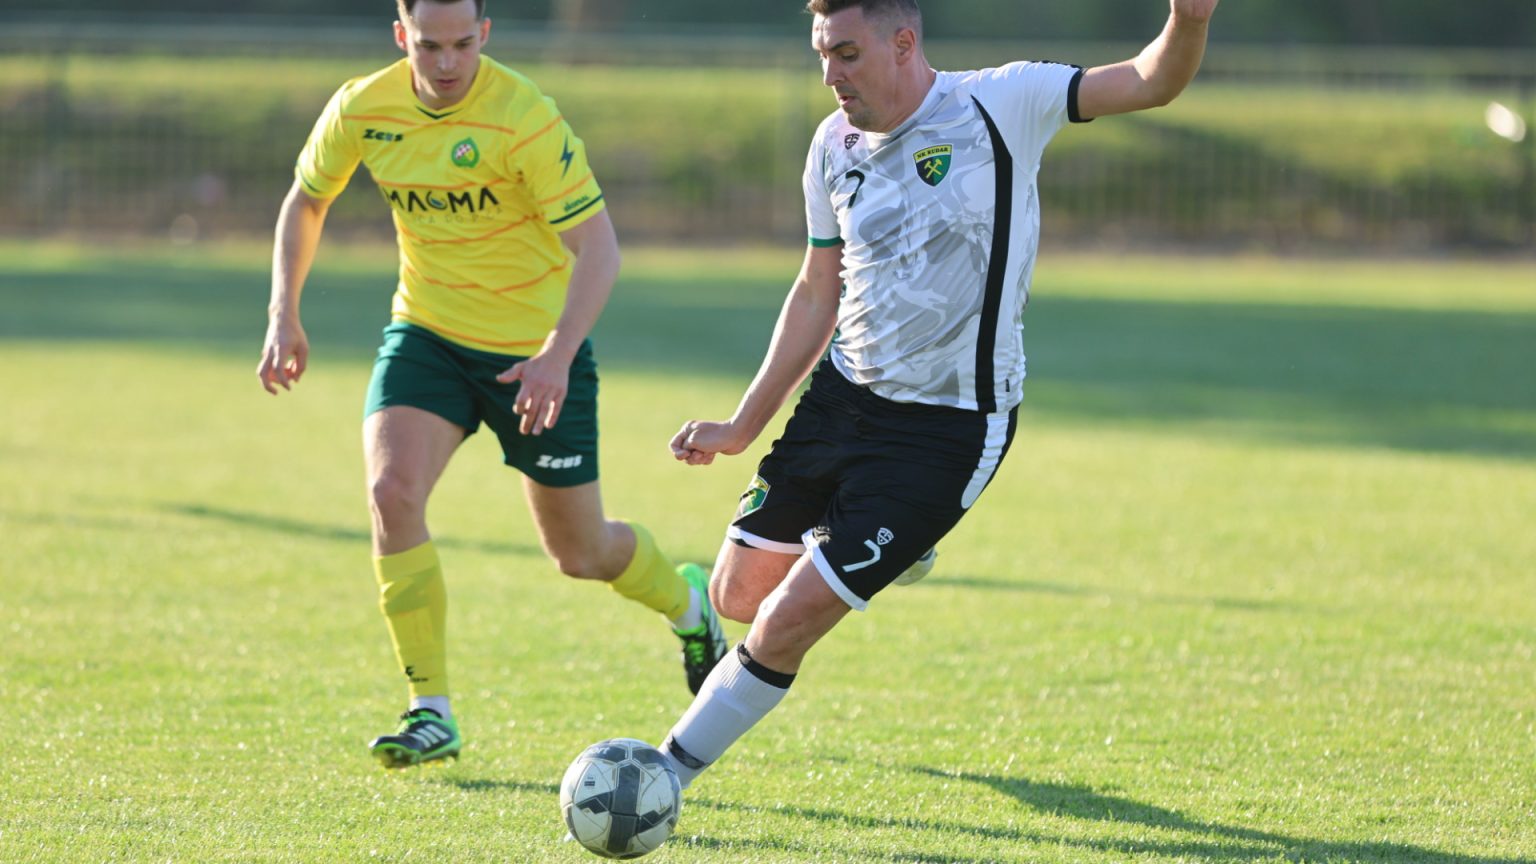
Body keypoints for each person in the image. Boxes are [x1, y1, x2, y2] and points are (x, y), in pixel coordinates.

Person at [657, 0, 1219, 790]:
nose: (830, 74)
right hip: (841, 399)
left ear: (903, 42)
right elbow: (817, 291)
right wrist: (742, 424)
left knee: (784, 624)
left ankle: (660, 778)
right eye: (822, 54)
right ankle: (892, 540)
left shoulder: (1003, 102)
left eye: (846, 53)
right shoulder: (832, 144)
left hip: (946, 432)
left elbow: (1150, 82)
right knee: (737, 596)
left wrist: (1187, 19)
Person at [255, 0, 728, 770]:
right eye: (429, 46)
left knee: (581, 553)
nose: (446, 64)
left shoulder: (524, 117)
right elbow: (307, 198)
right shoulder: (363, 107)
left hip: (536, 355)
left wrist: (557, 353)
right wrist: (284, 313)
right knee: (390, 493)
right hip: (428, 335)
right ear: (401, 36)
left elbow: (599, 248)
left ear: (485, 34)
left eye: (462, 45)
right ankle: (430, 710)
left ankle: (689, 604)